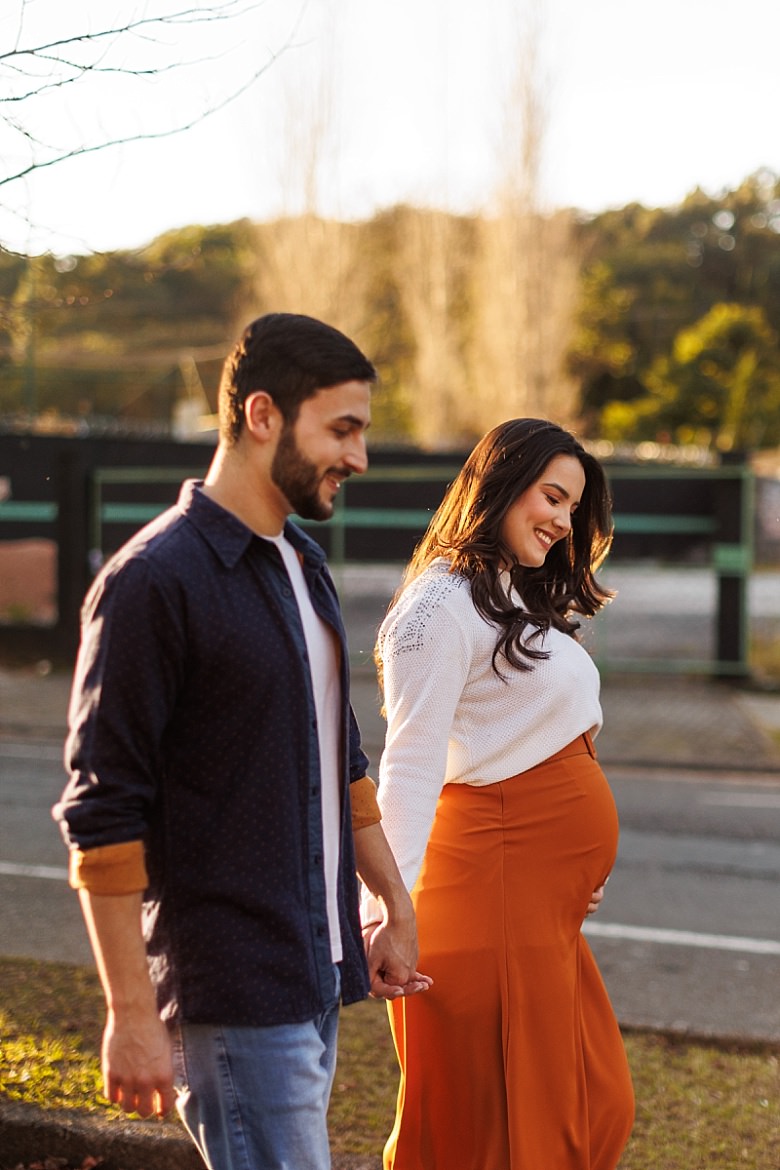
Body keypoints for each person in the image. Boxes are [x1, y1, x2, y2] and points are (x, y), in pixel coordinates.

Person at [53, 312, 431, 1170]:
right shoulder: (153, 582)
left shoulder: (305, 563)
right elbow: (104, 813)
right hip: (232, 991)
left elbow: (342, 764)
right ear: (263, 415)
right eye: (342, 429)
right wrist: (130, 1014)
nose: (360, 457)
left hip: (318, 972)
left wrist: (391, 902)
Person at [362, 418, 635, 1170]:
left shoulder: (507, 594)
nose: (561, 520)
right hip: (490, 894)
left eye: (573, 507)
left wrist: (569, 868)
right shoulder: (436, 608)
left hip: (535, 901)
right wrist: (388, 911)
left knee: (594, 1105)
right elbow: (410, 769)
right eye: (551, 496)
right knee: (504, 1135)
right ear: (500, 484)